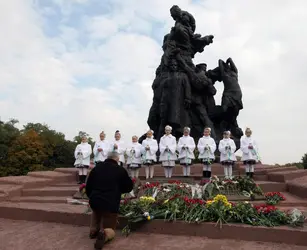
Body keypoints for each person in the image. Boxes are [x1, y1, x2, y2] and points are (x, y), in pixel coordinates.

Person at [86, 151, 133, 250]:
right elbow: (128, 187)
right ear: (117, 159)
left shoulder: (96, 168)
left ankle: (93, 230)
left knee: (96, 211)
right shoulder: (120, 170)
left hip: (95, 199)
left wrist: (91, 197)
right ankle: (105, 233)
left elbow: (88, 186)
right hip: (110, 202)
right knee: (110, 227)